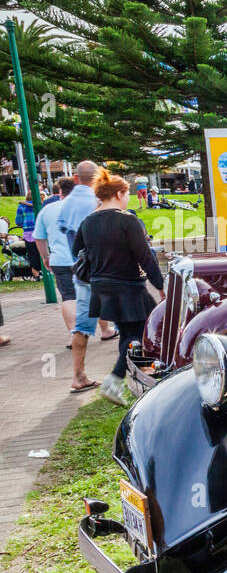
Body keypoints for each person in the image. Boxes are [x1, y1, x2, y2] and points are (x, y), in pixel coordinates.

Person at [71, 169, 165, 406]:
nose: (129, 199)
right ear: (119, 193)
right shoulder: (127, 220)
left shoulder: (89, 221)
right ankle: (115, 380)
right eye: (127, 194)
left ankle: (144, 377)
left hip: (102, 287)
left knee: (129, 334)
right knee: (142, 332)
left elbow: (76, 251)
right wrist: (161, 285)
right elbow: (145, 256)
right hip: (129, 287)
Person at [58, 160, 115, 393]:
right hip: (107, 270)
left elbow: (69, 238)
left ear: (75, 179)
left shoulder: (65, 203)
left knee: (81, 325)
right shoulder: (99, 201)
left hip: (82, 273)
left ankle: (78, 375)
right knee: (133, 316)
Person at [32, 177, 81, 346]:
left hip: (59, 259)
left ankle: (74, 333)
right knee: (94, 292)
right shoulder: (84, 208)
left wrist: (46, 257)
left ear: (60, 191)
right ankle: (105, 330)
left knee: (68, 297)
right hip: (84, 258)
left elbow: (39, 238)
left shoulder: (47, 210)